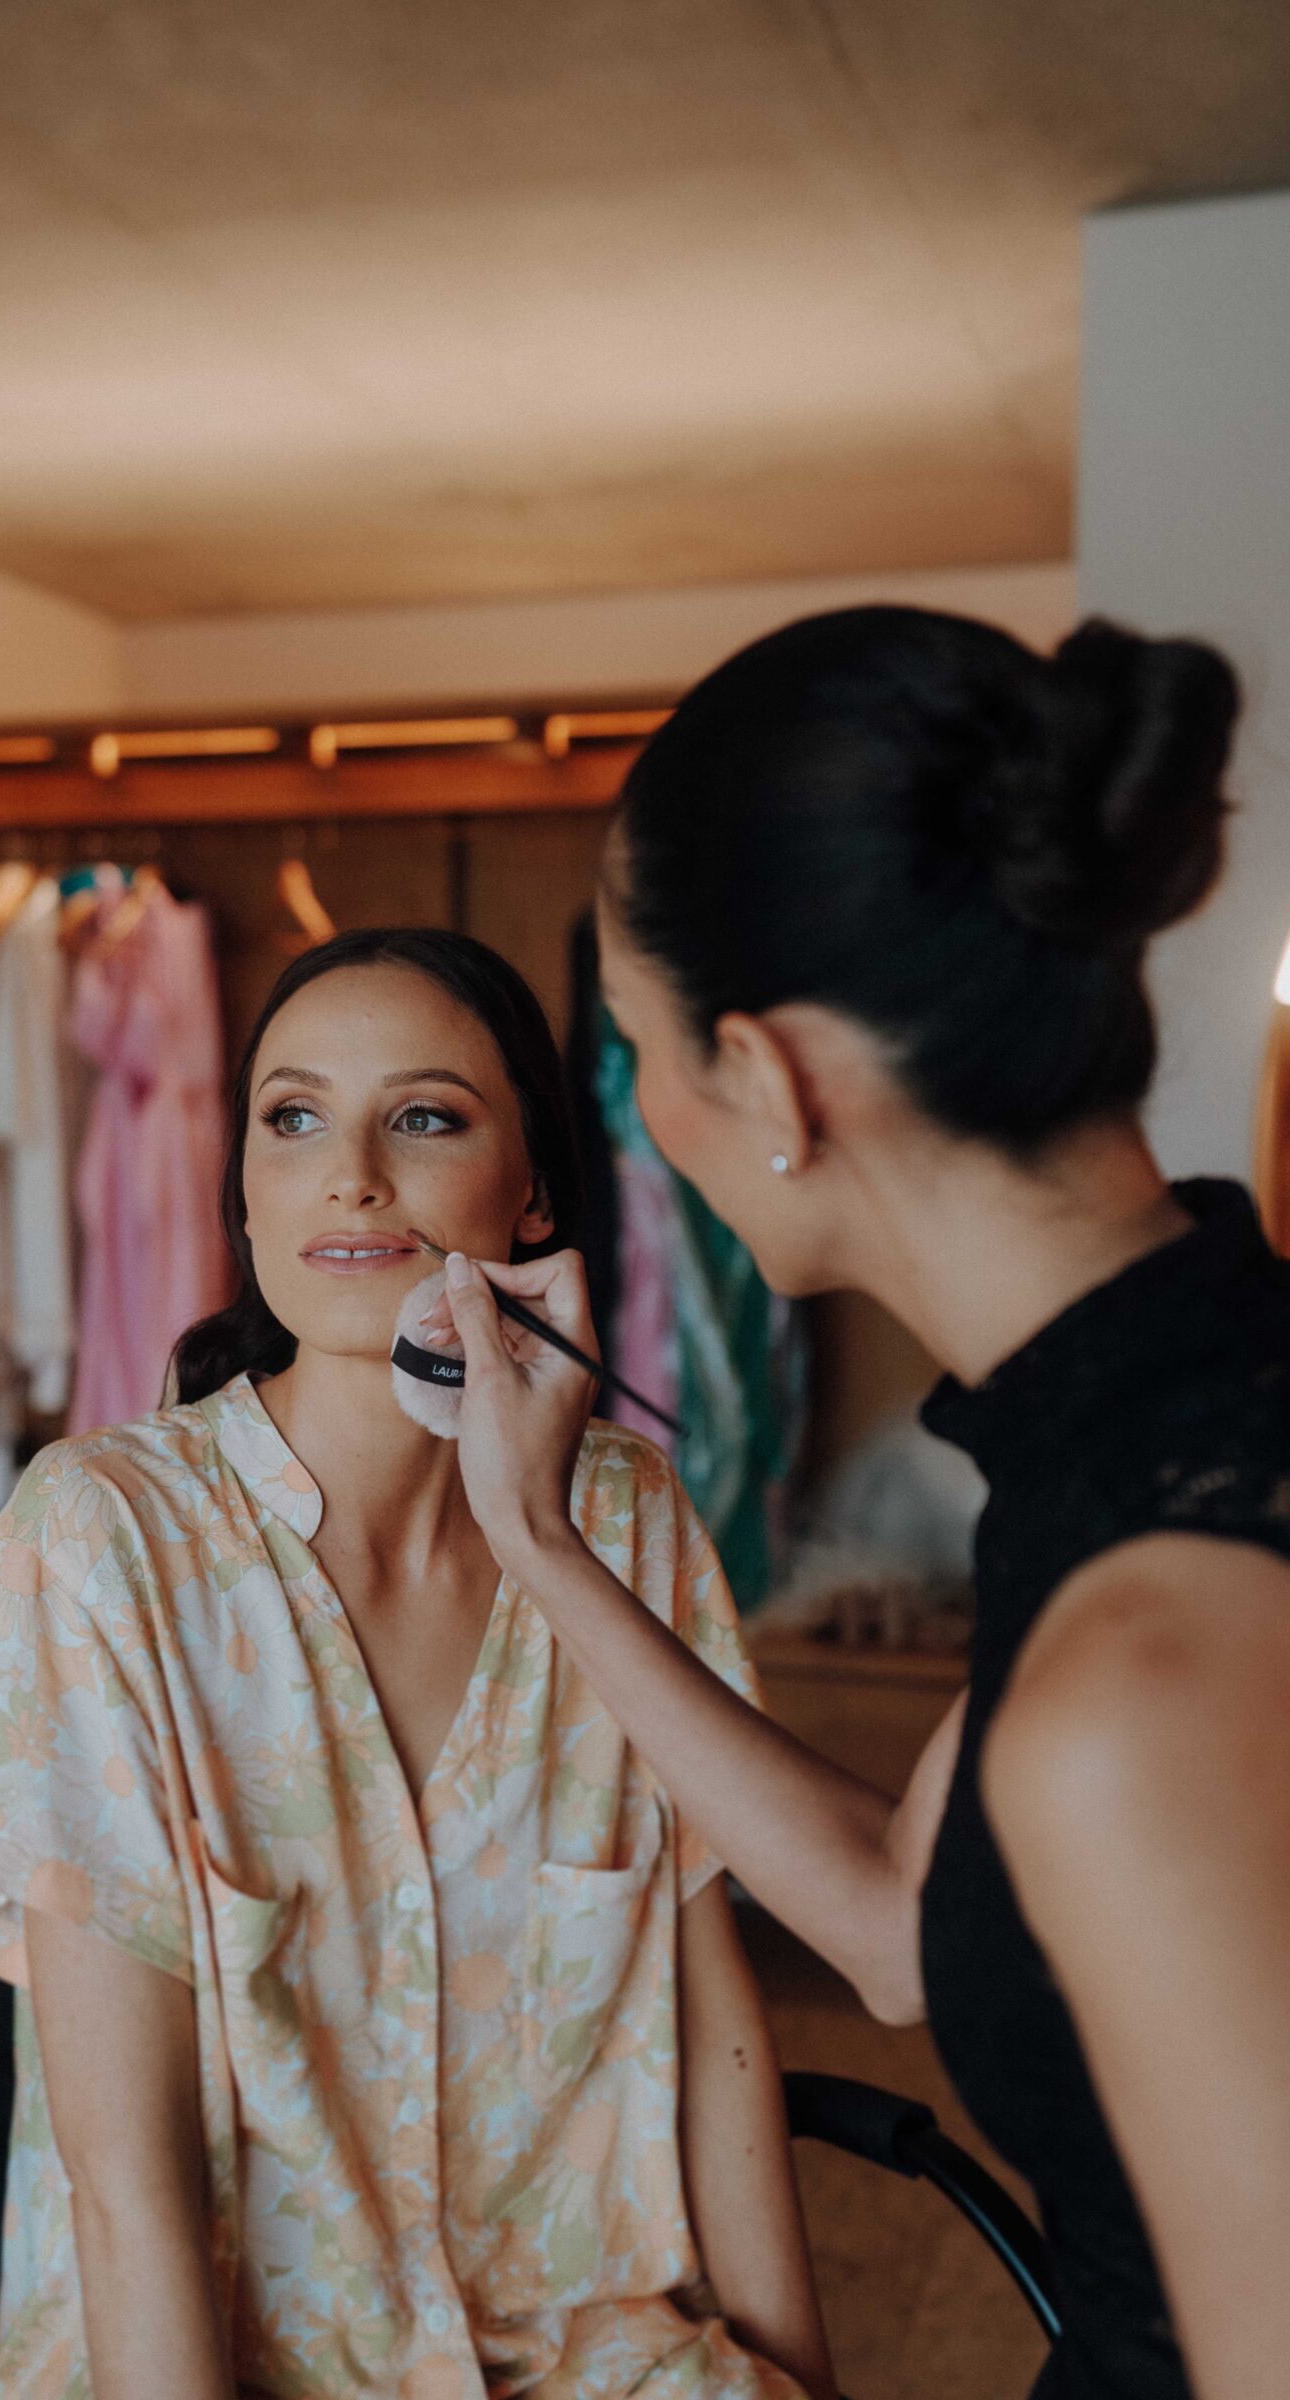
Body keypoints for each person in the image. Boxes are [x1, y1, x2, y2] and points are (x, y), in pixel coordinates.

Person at [424, 606, 1290, 2400]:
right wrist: (539, 1542)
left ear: (770, 1079)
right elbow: (910, 1924)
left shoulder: (1141, 1649)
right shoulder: (1150, 1430)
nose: (642, 1116)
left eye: (638, 1052)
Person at [0, 926, 834, 2400]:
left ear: (532, 1181)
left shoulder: (626, 1518)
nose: (350, 1172)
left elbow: (713, 2009)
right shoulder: (95, 1543)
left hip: (589, 2358)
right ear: (242, 1182)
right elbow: (125, 2177)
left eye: (424, 1116)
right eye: (293, 1119)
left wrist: (804, 2381)